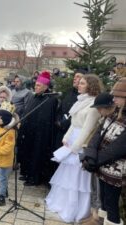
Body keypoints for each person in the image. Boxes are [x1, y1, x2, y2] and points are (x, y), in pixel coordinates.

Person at [46, 74, 103, 223]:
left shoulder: (94, 104)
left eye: (83, 83)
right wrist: (66, 138)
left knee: (77, 178)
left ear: (91, 86)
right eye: (80, 83)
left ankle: (75, 209)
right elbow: (73, 122)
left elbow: (87, 129)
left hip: (82, 144)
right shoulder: (80, 101)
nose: (79, 85)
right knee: (67, 176)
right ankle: (61, 203)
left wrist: (75, 147)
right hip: (72, 140)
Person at [81, 78, 126, 225]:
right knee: (104, 203)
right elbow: (97, 136)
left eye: (119, 97)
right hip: (102, 167)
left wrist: (95, 161)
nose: (115, 99)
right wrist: (90, 157)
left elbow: (117, 149)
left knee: (112, 207)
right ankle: (100, 221)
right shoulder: (114, 114)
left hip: (115, 171)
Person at [79, 93, 116, 225]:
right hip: (97, 159)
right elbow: (95, 138)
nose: (99, 111)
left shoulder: (117, 120)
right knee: (95, 188)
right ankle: (94, 214)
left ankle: (98, 219)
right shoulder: (105, 118)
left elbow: (114, 147)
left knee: (104, 195)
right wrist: (90, 157)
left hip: (109, 163)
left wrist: (96, 159)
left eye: (101, 108)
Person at [18, 71, 58, 185]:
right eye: (35, 85)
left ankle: (34, 178)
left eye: (39, 85)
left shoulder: (50, 99)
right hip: (30, 132)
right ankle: (27, 174)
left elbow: (47, 119)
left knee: (36, 156)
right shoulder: (34, 96)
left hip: (41, 134)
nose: (36, 87)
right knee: (28, 153)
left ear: (45, 87)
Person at [0, 101, 17, 208]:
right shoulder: (1, 127)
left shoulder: (10, 132)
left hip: (5, 160)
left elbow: (8, 147)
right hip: (0, 159)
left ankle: (1, 197)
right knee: (2, 176)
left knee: (3, 178)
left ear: (4, 119)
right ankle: (3, 191)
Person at [55, 72, 84, 149]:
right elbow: (60, 109)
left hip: (71, 133)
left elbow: (78, 116)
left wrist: (65, 124)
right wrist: (58, 120)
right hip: (60, 130)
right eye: (74, 76)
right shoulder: (69, 93)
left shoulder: (83, 97)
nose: (74, 78)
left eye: (78, 77)